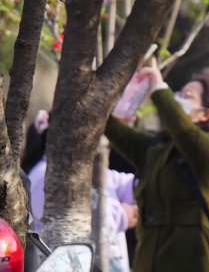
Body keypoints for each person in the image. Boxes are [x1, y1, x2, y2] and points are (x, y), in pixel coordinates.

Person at [105, 64, 209, 272]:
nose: (177, 99)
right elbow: (111, 128)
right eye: (178, 93)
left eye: (187, 96)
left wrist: (158, 87)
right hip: (149, 261)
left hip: (192, 262)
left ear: (206, 114)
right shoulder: (158, 149)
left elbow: (183, 131)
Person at [25, 112, 138, 272]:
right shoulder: (45, 175)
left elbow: (127, 185)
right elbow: (79, 220)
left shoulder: (86, 171)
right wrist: (121, 215)